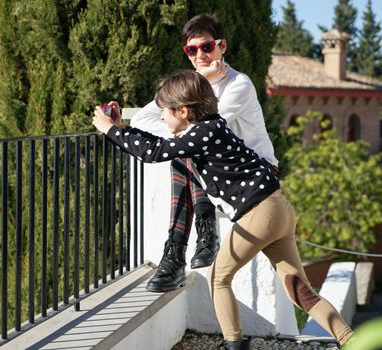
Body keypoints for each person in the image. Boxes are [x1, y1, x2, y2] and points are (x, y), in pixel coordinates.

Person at [92, 70, 354, 350]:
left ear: (182, 110)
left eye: (164, 111)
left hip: (259, 214)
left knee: (218, 278)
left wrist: (110, 130)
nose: (161, 117)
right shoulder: (210, 127)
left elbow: (154, 152)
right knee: (299, 291)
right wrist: (120, 129)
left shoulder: (203, 133)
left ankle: (234, 345)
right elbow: (158, 144)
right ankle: (351, 341)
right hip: (278, 210)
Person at [131, 13, 278, 293]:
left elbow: (202, 132)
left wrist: (179, 130)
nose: (200, 54)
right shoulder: (190, 84)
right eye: (191, 50)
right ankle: (181, 249)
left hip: (257, 173)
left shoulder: (239, 85)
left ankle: (192, 243)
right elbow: (140, 119)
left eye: (207, 47)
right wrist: (200, 81)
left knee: (186, 149)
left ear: (222, 46)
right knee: (183, 152)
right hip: (218, 174)